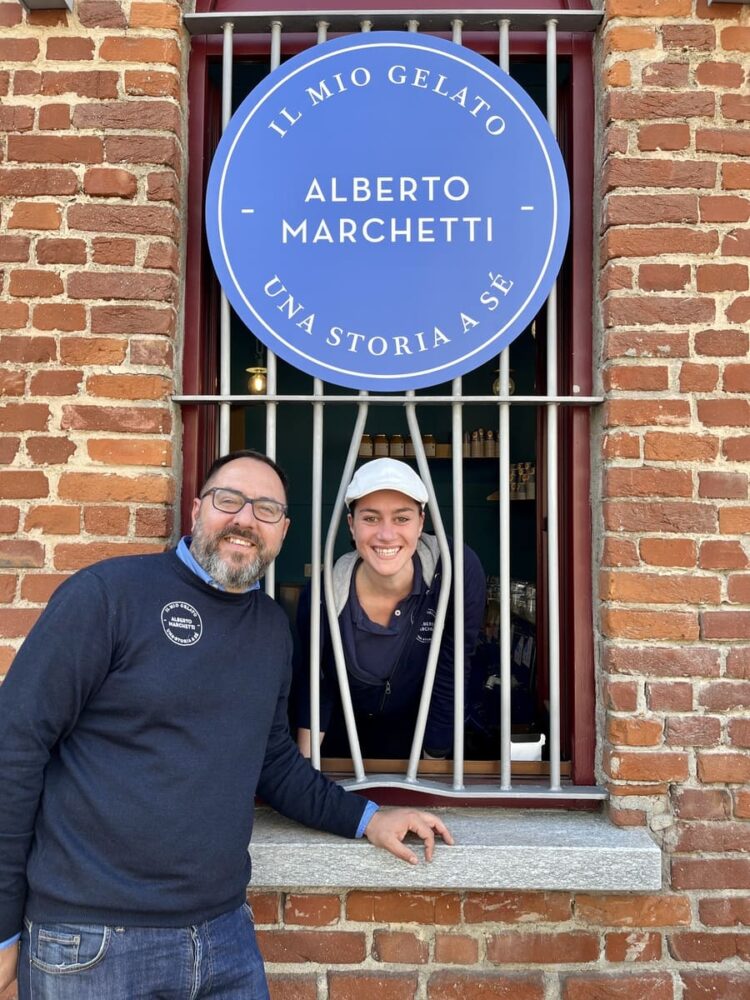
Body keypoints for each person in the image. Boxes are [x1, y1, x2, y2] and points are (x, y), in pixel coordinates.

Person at [0, 449, 452, 1000]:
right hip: (92, 941)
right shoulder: (108, 596)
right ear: (197, 509)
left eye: (266, 509)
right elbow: (14, 747)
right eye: (228, 500)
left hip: (223, 936)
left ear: (283, 531)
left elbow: (275, 762)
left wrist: (368, 818)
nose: (244, 519)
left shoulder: (268, 629)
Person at [296, 458, 486, 761]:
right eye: (370, 518)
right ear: (351, 525)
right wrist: (306, 768)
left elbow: (453, 667)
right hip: (343, 750)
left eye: (402, 518)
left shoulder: (454, 569)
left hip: (419, 743)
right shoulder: (323, 594)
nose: (386, 534)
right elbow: (317, 684)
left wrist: (433, 760)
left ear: (421, 522)